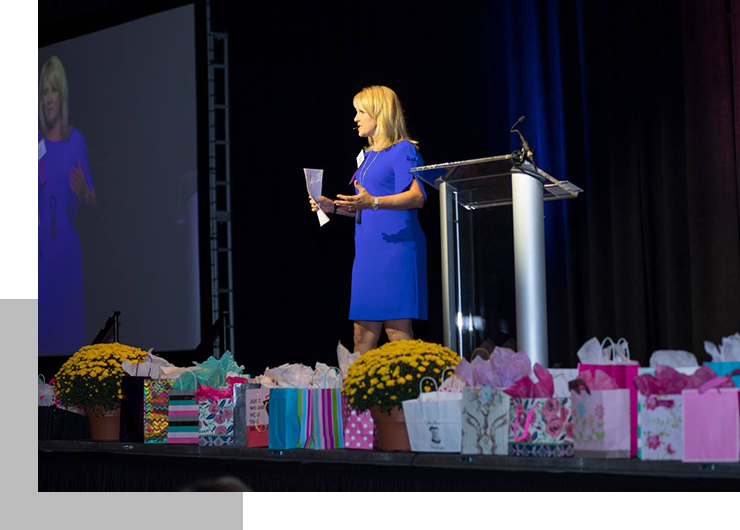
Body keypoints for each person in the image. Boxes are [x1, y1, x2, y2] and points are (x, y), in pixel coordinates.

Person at [310, 85, 428, 354]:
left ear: (379, 113)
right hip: (368, 254)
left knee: (397, 332)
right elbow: (367, 207)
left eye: (361, 111)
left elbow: (417, 197)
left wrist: (372, 201)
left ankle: (412, 393)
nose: (356, 118)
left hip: (395, 248)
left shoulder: (403, 150)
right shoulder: (369, 157)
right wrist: (334, 207)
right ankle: (361, 395)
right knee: (362, 336)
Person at [38, 55, 96, 354]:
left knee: (68, 342)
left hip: (67, 256)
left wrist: (84, 190)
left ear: (62, 94)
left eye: (53, 90)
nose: (48, 98)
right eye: (44, 91)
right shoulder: (37, 143)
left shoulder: (77, 142)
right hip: (40, 258)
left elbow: (91, 197)